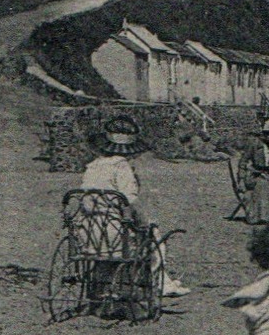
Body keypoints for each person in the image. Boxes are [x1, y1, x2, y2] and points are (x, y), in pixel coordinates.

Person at [81, 116, 191, 296]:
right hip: (113, 232)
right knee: (153, 235)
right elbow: (130, 201)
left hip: (89, 230)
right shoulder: (121, 168)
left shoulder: (93, 166)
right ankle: (162, 282)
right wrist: (143, 223)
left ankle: (103, 286)